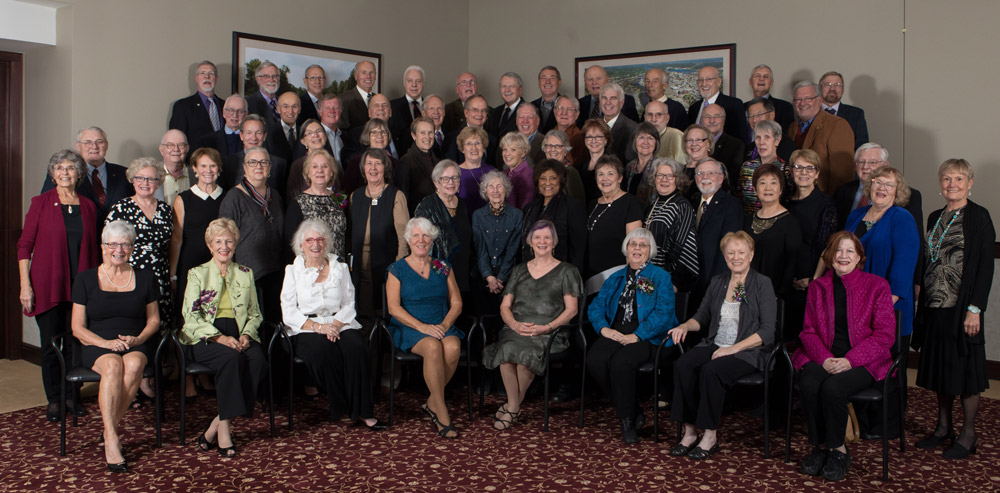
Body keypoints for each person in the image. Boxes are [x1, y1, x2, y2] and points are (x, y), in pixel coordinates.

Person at [791, 232, 896, 481]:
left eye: (850, 251)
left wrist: (850, 360)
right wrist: (825, 358)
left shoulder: (877, 285)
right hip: (825, 356)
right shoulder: (818, 287)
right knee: (809, 382)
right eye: (838, 251)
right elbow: (808, 331)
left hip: (864, 361)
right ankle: (820, 447)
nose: (843, 256)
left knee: (833, 387)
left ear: (859, 256)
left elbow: (885, 336)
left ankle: (839, 451)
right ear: (829, 256)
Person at [667, 231, 777, 460]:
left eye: (741, 252)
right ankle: (689, 432)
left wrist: (732, 349)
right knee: (683, 365)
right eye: (730, 253)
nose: (736, 257)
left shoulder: (762, 283)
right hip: (716, 343)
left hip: (748, 351)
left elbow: (767, 332)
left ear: (751, 254)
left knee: (711, 370)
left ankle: (709, 435)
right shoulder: (718, 282)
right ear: (724, 256)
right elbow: (702, 316)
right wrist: (686, 326)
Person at [915, 159, 995, 460]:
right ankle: (943, 427)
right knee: (942, 369)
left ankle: (969, 433)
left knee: (965, 372)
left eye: (959, 179)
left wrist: (975, 309)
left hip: (963, 308)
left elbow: (985, 268)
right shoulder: (935, 216)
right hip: (935, 307)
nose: (952, 185)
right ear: (940, 183)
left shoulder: (979, 217)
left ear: (970, 183)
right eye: (947, 179)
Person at [279, 219, 386, 430]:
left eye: (319, 239)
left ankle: (364, 411)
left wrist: (335, 326)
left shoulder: (340, 267)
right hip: (307, 326)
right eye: (309, 240)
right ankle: (344, 405)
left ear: (326, 242)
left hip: (340, 321)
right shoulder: (293, 270)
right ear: (301, 245)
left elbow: (349, 302)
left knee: (357, 347)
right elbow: (289, 311)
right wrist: (319, 328)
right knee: (323, 351)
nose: (315, 244)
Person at [70, 220, 160, 472]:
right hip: (96, 342)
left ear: (132, 247)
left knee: (132, 364)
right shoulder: (86, 279)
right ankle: (111, 438)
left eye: (125, 244)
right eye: (112, 244)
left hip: (133, 340)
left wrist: (138, 340)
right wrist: (106, 343)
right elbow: (77, 328)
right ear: (102, 247)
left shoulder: (145, 277)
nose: (118, 249)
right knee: (112, 365)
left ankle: (110, 428)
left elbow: (154, 319)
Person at [18, 150, 99, 422]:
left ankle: (71, 395)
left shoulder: (88, 206)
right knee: (51, 345)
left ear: (79, 174)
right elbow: (24, 247)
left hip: (80, 288)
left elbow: (95, 249)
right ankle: (54, 398)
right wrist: (24, 285)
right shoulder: (40, 202)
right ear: (52, 174)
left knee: (76, 344)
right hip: (48, 285)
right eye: (60, 168)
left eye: (71, 168)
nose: (65, 172)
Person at [481, 219, 583, 429]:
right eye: (537, 237)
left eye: (547, 237)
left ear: (554, 242)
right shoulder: (519, 270)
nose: (542, 241)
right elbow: (505, 306)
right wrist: (514, 325)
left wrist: (547, 328)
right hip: (516, 328)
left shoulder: (567, 271)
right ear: (530, 242)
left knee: (525, 354)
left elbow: (572, 310)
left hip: (550, 331)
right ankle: (514, 405)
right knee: (508, 348)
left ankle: (512, 407)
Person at [180, 218, 267, 458]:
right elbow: (190, 316)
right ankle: (225, 429)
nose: (224, 246)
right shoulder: (197, 274)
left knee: (258, 360)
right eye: (218, 241)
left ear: (236, 245)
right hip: (205, 335)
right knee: (231, 359)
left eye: (229, 241)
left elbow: (255, 313)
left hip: (239, 331)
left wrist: (247, 334)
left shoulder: (245, 273)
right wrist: (220, 338)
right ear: (209, 245)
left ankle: (216, 423)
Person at [586, 228, 677, 443]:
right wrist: (604, 329)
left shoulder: (660, 277)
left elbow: (664, 314)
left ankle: (626, 420)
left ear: (650, 251)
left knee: (621, 363)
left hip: (649, 334)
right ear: (626, 249)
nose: (637, 249)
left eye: (643, 245)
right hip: (617, 329)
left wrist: (637, 336)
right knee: (595, 360)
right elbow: (596, 307)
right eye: (633, 244)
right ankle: (632, 409)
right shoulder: (615, 277)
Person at [385, 217, 465, 438]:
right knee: (432, 347)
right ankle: (441, 412)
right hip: (410, 327)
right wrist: (423, 327)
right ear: (408, 240)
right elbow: (393, 308)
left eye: (425, 235)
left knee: (453, 346)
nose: (421, 240)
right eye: (416, 236)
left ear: (432, 239)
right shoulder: (397, 269)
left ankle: (431, 402)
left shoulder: (442, 266)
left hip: (440, 323)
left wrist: (445, 325)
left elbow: (457, 303)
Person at [105, 157, 174, 406]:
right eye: (141, 178)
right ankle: (131, 384)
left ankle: (148, 379)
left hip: (160, 277)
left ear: (159, 181)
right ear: (132, 180)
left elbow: (173, 244)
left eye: (152, 178)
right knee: (134, 326)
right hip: (130, 278)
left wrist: (172, 274)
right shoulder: (121, 208)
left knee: (158, 326)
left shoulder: (166, 209)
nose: (146, 183)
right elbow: (109, 247)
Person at [169, 148, 226, 401]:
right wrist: (173, 274)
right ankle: (188, 378)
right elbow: (177, 239)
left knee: (213, 318)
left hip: (218, 266)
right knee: (188, 322)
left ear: (219, 169)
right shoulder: (183, 199)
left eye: (212, 166)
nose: (208, 171)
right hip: (190, 267)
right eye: (202, 166)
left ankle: (206, 374)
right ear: (194, 169)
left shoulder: (228, 198)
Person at [218, 147, 284, 322]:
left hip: (276, 272)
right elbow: (224, 241)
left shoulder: (275, 196)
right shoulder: (234, 198)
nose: (258, 166)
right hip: (248, 275)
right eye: (252, 162)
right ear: (244, 168)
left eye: (264, 162)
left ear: (269, 168)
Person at [349, 148, 409, 320]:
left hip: (387, 266)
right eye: (369, 164)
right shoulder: (356, 196)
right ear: (363, 168)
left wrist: (398, 269)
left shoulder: (396, 195)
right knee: (363, 313)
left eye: (378, 163)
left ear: (385, 168)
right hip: (360, 267)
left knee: (384, 312)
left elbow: (404, 237)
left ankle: (382, 345)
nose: (373, 168)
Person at [786, 149, 837, 337]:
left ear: (817, 174)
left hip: (810, 281)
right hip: (785, 281)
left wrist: (814, 280)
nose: (803, 172)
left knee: (806, 335)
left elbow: (827, 247)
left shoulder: (826, 204)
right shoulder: (784, 201)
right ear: (791, 171)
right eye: (798, 167)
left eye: (810, 168)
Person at [41, 126, 134, 226]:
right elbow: (46, 206)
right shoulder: (64, 175)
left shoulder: (125, 173)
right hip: (80, 238)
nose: (94, 146)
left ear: (106, 145)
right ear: (78, 146)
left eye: (99, 142)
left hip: (117, 238)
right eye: (87, 142)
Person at [742, 163, 803, 307]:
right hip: (747, 293)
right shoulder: (747, 220)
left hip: (774, 295)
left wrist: (778, 295)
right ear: (755, 190)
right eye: (762, 183)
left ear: (781, 189)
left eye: (773, 183)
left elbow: (791, 263)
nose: (768, 188)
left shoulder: (790, 222)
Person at [414, 160, 473, 293]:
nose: (450, 182)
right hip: (437, 273)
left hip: (463, 270)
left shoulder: (463, 204)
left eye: (454, 178)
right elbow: (419, 243)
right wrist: (439, 273)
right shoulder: (426, 206)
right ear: (436, 183)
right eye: (445, 179)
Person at [787, 81, 854, 194]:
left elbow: (842, 175)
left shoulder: (837, 125)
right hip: (795, 197)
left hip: (823, 200)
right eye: (798, 99)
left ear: (819, 100)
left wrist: (831, 205)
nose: (802, 103)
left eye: (808, 98)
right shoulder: (792, 128)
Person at [643, 157, 699, 293]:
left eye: (669, 176)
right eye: (660, 175)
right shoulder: (652, 205)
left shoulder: (682, 205)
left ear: (677, 179)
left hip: (669, 278)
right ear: (654, 178)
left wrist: (675, 282)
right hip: (648, 274)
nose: (664, 180)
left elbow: (684, 245)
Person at [520, 159, 587, 272]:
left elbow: (578, 249)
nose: (547, 183)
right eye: (543, 178)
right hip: (532, 271)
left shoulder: (573, 206)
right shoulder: (530, 208)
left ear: (561, 181)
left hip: (562, 273)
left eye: (553, 178)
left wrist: (573, 277)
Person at [471, 170, 524, 313]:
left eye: (499, 186)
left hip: (509, 273)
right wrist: (489, 277)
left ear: (506, 189)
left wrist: (500, 278)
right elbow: (480, 250)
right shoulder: (478, 216)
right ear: (485, 191)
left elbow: (513, 250)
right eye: (491, 187)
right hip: (484, 273)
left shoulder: (517, 215)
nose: (495, 191)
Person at [585, 156, 643, 282]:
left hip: (617, 275)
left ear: (620, 178)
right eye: (601, 174)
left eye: (610, 174)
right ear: (596, 179)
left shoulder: (630, 203)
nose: (605, 179)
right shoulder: (592, 204)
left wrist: (629, 278)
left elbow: (634, 246)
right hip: (591, 276)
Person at [284, 149, 348, 262]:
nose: (320, 170)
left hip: (338, 267)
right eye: (314, 166)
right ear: (308, 172)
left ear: (332, 172)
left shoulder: (340, 200)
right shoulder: (298, 203)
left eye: (325, 166)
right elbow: (290, 244)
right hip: (310, 269)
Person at [168, 61, 225, 150]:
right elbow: (177, 140)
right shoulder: (182, 106)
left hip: (224, 161)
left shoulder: (226, 106)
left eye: (211, 73)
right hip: (195, 161)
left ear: (216, 78)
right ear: (196, 78)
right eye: (202, 73)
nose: (207, 77)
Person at [738, 120, 789, 214]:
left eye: (767, 137)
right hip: (748, 221)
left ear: (777, 140)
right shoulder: (747, 167)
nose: (762, 142)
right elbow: (739, 198)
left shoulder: (785, 169)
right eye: (758, 137)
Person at [686, 66, 748, 141]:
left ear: (719, 82)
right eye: (700, 80)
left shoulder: (734, 105)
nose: (704, 84)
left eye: (709, 79)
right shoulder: (694, 108)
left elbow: (742, 138)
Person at [396, 116, 440, 214]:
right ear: (413, 135)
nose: (427, 137)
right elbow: (403, 199)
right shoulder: (406, 162)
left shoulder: (438, 161)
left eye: (430, 132)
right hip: (417, 219)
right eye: (422, 133)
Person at [344, 117, 396, 194]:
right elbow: (348, 191)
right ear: (367, 136)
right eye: (374, 132)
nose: (379, 135)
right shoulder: (356, 162)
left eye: (383, 132)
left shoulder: (395, 163)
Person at [819, 71, 869, 150]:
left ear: (843, 89)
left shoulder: (856, 114)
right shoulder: (810, 113)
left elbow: (861, 148)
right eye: (827, 84)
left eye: (837, 85)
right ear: (820, 88)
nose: (832, 88)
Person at [285, 118, 331, 199]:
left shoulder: (333, 163)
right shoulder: (297, 166)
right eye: (309, 133)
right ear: (303, 141)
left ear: (325, 136)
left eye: (319, 131)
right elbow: (292, 196)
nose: (315, 135)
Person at [455, 126, 495, 213]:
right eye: (469, 143)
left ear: (483, 147)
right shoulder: (455, 173)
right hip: (465, 224)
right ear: (462, 148)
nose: (474, 147)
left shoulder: (492, 171)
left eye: (478, 143)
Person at [541, 129, 585, 200]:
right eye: (549, 146)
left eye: (558, 146)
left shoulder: (570, 172)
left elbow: (578, 203)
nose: (553, 149)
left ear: (565, 150)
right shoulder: (540, 171)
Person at [624, 122, 661, 206]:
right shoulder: (630, 167)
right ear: (635, 141)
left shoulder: (660, 167)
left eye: (650, 138)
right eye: (641, 137)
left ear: (656, 143)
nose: (645, 142)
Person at [337, 60, 377, 131]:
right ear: (356, 76)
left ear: (375, 76)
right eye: (364, 73)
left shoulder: (379, 99)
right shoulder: (343, 99)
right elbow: (343, 132)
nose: (368, 76)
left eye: (371, 72)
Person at [499, 132, 536, 209]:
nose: (507, 154)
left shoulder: (528, 174)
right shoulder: (504, 173)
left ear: (523, 153)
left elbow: (525, 207)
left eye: (513, 150)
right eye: (505, 149)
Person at [579, 118, 612, 204]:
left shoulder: (612, 165)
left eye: (598, 136)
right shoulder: (581, 165)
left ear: (605, 140)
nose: (593, 140)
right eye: (589, 136)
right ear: (585, 140)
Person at [156, 129, 191, 205]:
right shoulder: (151, 174)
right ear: (161, 149)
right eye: (170, 145)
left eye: (181, 145)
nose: (176, 149)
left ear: (187, 149)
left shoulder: (196, 174)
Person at [486, 72, 526, 138]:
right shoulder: (495, 112)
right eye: (504, 86)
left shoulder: (529, 111)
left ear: (520, 89)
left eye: (511, 86)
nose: (507, 90)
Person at [681, 124, 714, 191]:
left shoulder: (716, 168)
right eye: (690, 140)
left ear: (708, 144)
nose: (694, 144)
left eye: (699, 140)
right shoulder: (681, 170)